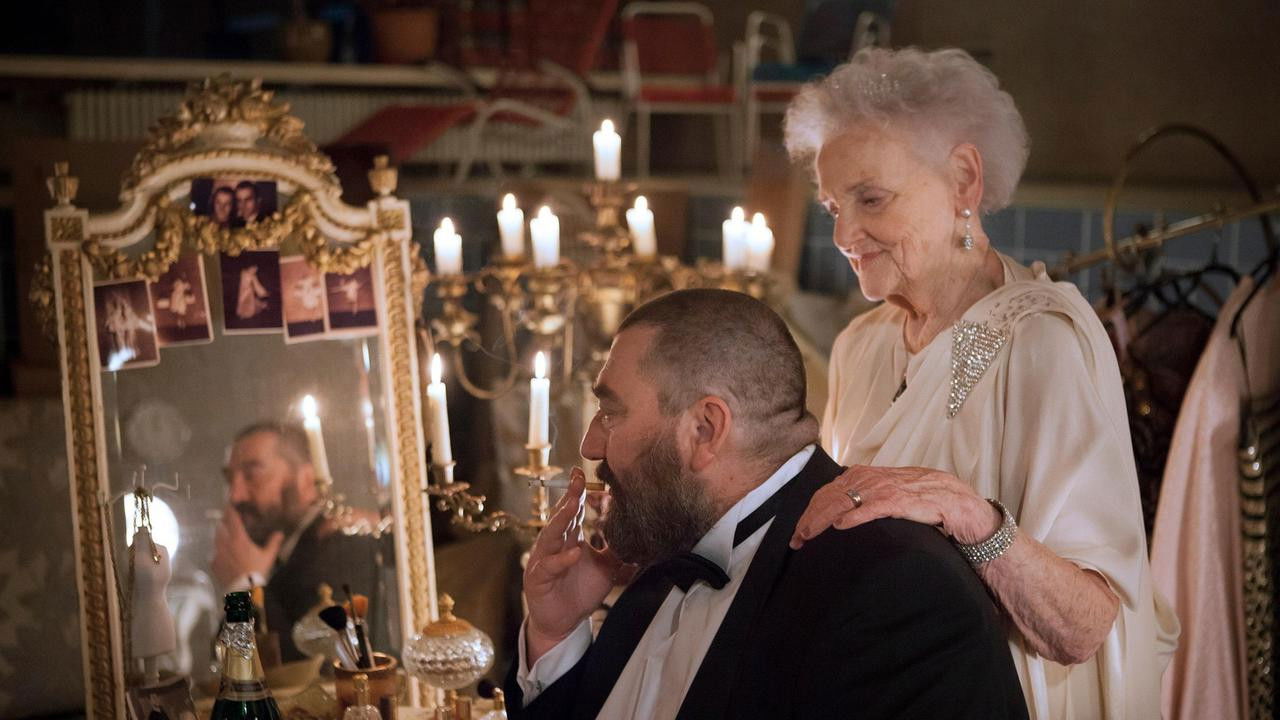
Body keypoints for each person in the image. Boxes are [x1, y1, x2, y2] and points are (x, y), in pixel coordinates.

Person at [782, 47, 1180, 719]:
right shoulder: (859, 347)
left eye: (871, 198)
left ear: (963, 180)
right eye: (831, 207)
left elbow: (1084, 627)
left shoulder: (1043, 343)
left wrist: (969, 514)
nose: (844, 233)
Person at [507, 289, 1027, 719]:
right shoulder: (668, 549)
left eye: (611, 414)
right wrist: (555, 635)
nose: (591, 445)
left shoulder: (896, 590)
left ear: (705, 429)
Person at [212, 422, 382, 661]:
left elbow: (320, 665)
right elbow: (224, 662)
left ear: (306, 479)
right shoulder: (279, 552)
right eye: (230, 479)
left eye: (252, 475)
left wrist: (244, 587)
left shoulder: (340, 544)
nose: (235, 495)